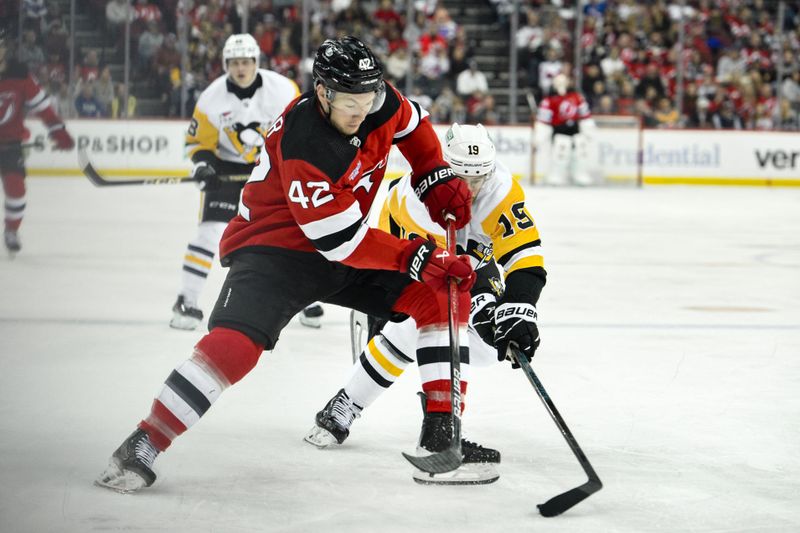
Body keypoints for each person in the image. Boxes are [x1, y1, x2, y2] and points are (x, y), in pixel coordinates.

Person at [96, 35, 478, 494]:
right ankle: (143, 442)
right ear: (323, 93)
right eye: (350, 106)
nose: (363, 114)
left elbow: (412, 126)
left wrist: (433, 173)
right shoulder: (306, 142)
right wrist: (418, 255)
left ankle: (441, 431)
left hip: (342, 243)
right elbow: (341, 241)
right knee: (235, 348)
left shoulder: (377, 100)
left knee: (442, 293)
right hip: (276, 250)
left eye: (369, 100)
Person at [305, 123, 546, 484]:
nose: (471, 189)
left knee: (484, 344)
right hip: (410, 265)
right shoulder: (416, 202)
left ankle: (346, 405)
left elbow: (524, 253)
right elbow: (438, 274)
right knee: (429, 324)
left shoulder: (499, 188)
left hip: (473, 264)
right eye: (462, 179)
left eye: (478, 179)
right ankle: (441, 438)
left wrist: (518, 306)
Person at [169, 33, 323, 330]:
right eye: (235, 62)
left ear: (256, 62)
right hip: (227, 168)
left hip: (271, 168)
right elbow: (199, 143)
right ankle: (186, 300)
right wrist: (205, 166)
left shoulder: (282, 89)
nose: (241, 68)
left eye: (246, 62)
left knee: (296, 229)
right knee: (210, 232)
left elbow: (300, 128)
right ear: (227, 64)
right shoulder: (212, 98)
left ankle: (308, 299)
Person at [0, 30, 74, 256]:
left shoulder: (20, 75)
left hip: (9, 145)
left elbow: (42, 107)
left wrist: (57, 129)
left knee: (17, 189)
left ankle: (11, 231)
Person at [535, 73, 597, 186]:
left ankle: (580, 174)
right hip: (559, 131)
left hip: (575, 130)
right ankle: (556, 175)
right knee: (561, 151)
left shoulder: (577, 97)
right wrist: (539, 135)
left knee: (580, 150)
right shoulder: (549, 100)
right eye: (559, 82)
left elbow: (585, 115)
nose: (561, 85)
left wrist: (589, 130)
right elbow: (543, 121)